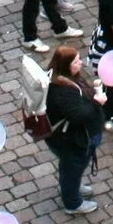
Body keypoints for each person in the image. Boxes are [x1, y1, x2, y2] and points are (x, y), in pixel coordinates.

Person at [44, 43, 104, 215]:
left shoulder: (62, 79)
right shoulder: (63, 91)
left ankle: (70, 186)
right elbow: (79, 116)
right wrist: (97, 103)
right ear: (66, 66)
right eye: (76, 61)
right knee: (73, 167)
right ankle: (72, 202)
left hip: (72, 138)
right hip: (71, 140)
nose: (81, 64)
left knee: (72, 166)